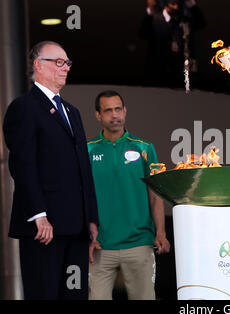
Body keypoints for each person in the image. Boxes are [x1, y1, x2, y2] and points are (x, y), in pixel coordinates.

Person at [2, 41, 99, 299]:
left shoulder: (73, 112)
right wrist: (38, 214)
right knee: (45, 294)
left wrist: (91, 218)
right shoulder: (24, 107)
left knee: (74, 295)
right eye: (58, 62)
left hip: (76, 228)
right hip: (45, 228)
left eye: (67, 63)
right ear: (37, 65)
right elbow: (22, 164)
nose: (65, 67)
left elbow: (83, 169)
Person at [87, 90, 170, 300]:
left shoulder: (144, 148)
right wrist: (87, 235)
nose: (114, 115)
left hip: (139, 242)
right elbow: (80, 197)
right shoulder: (86, 151)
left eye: (118, 109)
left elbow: (156, 195)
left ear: (125, 111)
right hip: (100, 246)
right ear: (98, 115)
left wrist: (161, 232)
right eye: (108, 111)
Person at [138, 0, 205, 88]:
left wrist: (192, 5)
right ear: (165, 4)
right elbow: (143, 33)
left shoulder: (184, 21)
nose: (176, 7)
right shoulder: (155, 19)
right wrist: (150, 10)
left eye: (178, 4)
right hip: (159, 72)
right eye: (173, 4)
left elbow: (201, 23)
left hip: (180, 74)